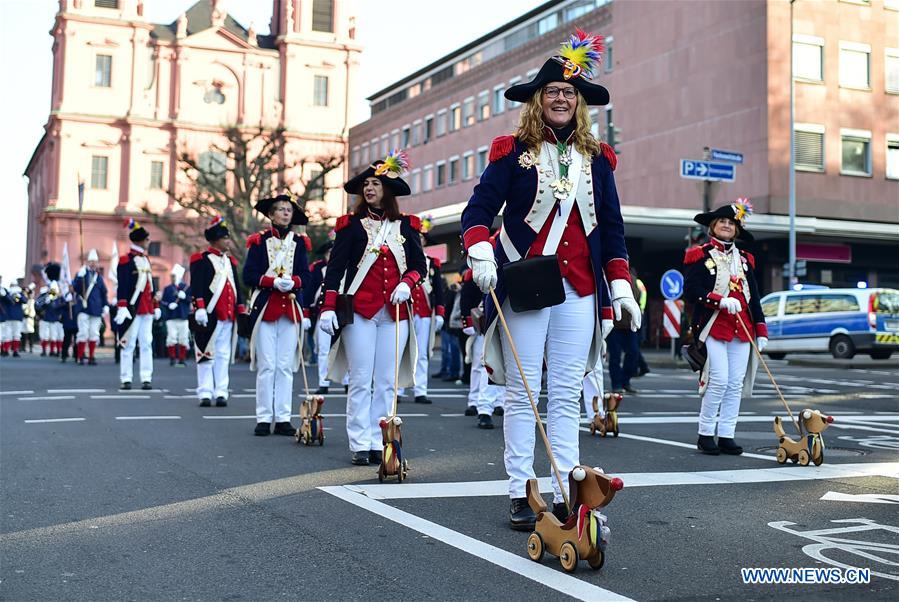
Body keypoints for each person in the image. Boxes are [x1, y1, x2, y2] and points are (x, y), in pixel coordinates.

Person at [460, 29, 640, 530]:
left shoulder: (599, 160)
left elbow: (613, 228)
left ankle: (563, 484)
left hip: (581, 286)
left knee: (564, 391)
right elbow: (478, 210)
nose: (561, 98)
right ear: (538, 100)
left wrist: (619, 286)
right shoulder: (511, 151)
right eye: (552, 91)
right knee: (522, 391)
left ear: (579, 103)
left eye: (569, 92)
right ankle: (521, 488)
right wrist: (480, 250)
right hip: (526, 282)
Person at [318, 150, 427, 466]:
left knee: (387, 382)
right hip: (360, 311)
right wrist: (327, 307)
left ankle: (382, 442)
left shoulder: (405, 227)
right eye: (366, 184)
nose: (369, 189)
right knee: (361, 378)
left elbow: (419, 265)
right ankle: (359, 442)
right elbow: (335, 270)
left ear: (387, 190)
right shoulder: (350, 227)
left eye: (376, 184)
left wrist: (408, 283)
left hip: (394, 313)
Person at [683, 199, 768, 456]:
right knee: (718, 380)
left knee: (735, 383)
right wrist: (719, 301)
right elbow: (691, 290)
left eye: (731, 223)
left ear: (737, 229)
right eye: (722, 221)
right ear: (713, 226)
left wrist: (761, 330)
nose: (727, 225)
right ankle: (706, 433)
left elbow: (754, 295)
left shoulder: (745, 260)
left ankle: (727, 435)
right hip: (713, 326)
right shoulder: (701, 254)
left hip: (742, 328)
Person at [243, 194, 312, 437]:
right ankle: (263, 417)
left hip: (291, 308)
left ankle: (283, 417)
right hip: (266, 307)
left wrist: (292, 282)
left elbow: (306, 275)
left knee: (284, 366)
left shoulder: (301, 243)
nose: (285, 213)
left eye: (288, 210)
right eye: (280, 210)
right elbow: (249, 275)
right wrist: (273, 282)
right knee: (267, 366)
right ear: (271, 215)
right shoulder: (259, 241)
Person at [190, 216, 244, 407]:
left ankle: (221, 391)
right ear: (215, 240)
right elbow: (196, 286)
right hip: (210, 314)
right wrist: (200, 308)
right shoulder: (202, 260)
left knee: (223, 355)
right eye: (225, 238)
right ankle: (205, 392)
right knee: (205, 353)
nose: (228, 241)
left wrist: (241, 309)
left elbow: (235, 287)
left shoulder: (230, 262)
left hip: (227, 315)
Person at [114, 220, 161, 390]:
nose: (148, 242)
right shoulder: (126, 260)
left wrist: (156, 305)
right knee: (129, 343)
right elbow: (123, 284)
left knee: (147, 343)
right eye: (147, 239)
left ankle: (146, 377)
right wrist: (122, 305)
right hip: (133, 307)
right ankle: (126, 378)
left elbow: (150, 285)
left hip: (146, 308)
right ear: (140, 241)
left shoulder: (145, 260)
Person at [405, 218, 446, 404]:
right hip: (405, 311)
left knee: (421, 353)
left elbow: (438, 289)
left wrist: (439, 312)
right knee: (402, 351)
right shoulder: (403, 260)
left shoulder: (432, 263)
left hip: (424, 313)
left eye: (421, 237)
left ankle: (420, 390)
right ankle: (397, 390)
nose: (419, 240)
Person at [460, 265, 505, 427]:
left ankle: (500, 401)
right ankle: (481, 406)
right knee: (483, 365)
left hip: (507, 318)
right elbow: (467, 296)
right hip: (486, 321)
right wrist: (468, 320)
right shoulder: (479, 267)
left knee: (505, 365)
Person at [304, 240, 334, 394]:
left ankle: (348, 381)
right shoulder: (317, 268)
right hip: (323, 312)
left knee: (347, 350)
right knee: (323, 349)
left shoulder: (349, 266)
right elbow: (309, 292)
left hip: (344, 312)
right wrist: (306, 314)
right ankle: (324, 382)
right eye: (329, 253)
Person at [72, 249, 110, 365]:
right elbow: (76, 289)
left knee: (94, 333)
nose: (93, 264)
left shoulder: (99, 278)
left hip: (96, 309)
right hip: (84, 308)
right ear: (88, 263)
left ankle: (91, 357)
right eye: (91, 261)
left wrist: (105, 305)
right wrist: (79, 277)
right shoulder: (82, 275)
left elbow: (103, 293)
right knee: (83, 333)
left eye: (95, 262)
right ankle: (80, 357)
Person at [606, 276, 641, 394]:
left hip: (629, 325)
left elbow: (638, 297)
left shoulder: (633, 278)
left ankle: (625, 381)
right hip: (614, 325)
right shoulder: (610, 272)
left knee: (633, 353)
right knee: (615, 356)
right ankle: (617, 384)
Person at [161, 264, 191, 366]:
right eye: (171, 276)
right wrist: (169, 305)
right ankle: (172, 358)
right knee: (171, 338)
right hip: (171, 317)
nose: (172, 278)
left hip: (183, 317)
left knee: (183, 338)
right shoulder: (168, 288)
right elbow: (163, 301)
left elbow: (191, 300)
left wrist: (185, 297)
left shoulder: (186, 288)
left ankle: (182, 358)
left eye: (174, 276)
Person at [37, 263, 66, 357]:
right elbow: (38, 304)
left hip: (56, 315)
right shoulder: (45, 291)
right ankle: (46, 350)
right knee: (45, 334)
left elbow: (62, 304)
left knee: (56, 334)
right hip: (46, 315)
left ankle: (55, 350)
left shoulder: (60, 291)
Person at [0, 283, 26, 357]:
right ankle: (6, 350)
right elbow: (8, 300)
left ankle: (15, 351)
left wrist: (18, 296)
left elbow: (25, 301)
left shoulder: (19, 294)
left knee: (17, 334)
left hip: (16, 317)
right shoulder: (7, 293)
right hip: (9, 317)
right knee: (7, 334)